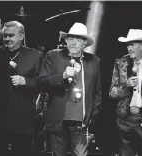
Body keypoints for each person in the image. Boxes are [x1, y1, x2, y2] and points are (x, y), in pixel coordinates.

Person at [39, 22, 101, 156]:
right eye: (70, 39)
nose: (73, 43)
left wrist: (92, 114)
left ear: (84, 43)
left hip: (81, 120)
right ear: (66, 41)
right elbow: (42, 82)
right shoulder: (53, 56)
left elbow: (97, 91)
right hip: (58, 118)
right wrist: (62, 76)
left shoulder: (94, 61)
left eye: (78, 40)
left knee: (80, 154)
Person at [0, 21, 42, 156]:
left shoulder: (35, 56)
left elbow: (43, 82)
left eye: (11, 36)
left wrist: (26, 81)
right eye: (5, 36)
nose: (7, 39)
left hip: (23, 117)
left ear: (21, 36)